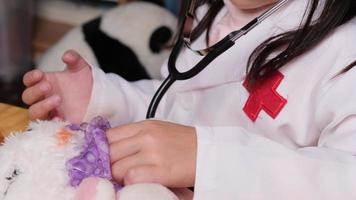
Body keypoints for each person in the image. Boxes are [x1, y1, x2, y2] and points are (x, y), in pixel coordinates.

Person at [22, 0, 356, 199]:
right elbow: (180, 104)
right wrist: (104, 99)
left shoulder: (345, 52)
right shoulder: (219, 13)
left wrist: (208, 160)